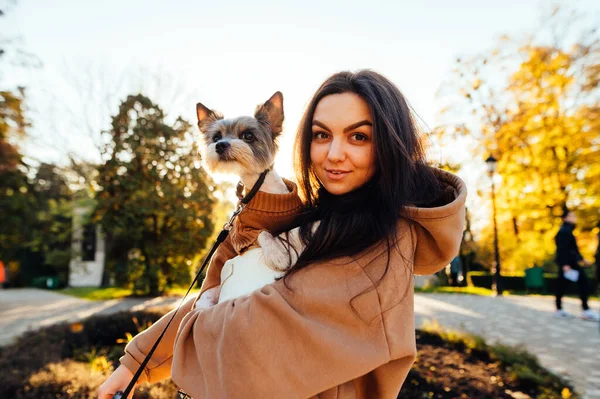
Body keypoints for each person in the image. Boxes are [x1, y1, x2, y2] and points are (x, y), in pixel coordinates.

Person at [98, 70, 467, 399]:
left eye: (358, 136)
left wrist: (199, 320)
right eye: (321, 135)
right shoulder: (307, 216)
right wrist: (134, 364)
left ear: (390, 143)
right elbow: (212, 295)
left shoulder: (383, 242)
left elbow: (246, 331)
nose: (334, 153)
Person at [554, 209, 599, 321]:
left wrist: (583, 259)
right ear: (565, 218)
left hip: (570, 263)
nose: (574, 218)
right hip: (569, 264)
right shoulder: (564, 231)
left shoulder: (567, 230)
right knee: (583, 283)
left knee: (562, 286)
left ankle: (559, 309)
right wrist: (565, 264)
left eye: (574, 216)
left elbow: (573, 249)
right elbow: (562, 249)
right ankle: (586, 310)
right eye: (571, 216)